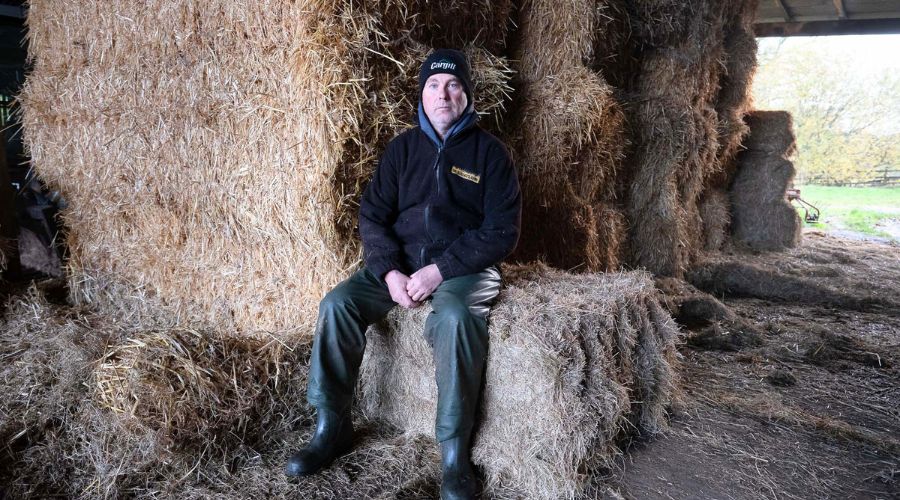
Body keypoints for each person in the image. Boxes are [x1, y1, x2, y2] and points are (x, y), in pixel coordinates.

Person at [286, 48, 521, 500]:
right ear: (422, 93)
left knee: (454, 319)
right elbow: (372, 217)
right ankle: (329, 427)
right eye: (434, 85)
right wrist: (390, 272)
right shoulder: (402, 150)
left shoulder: (491, 155)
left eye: (453, 85)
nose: (443, 94)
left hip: (463, 266)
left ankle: (453, 454)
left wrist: (439, 271)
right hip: (401, 263)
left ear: (468, 95)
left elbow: (501, 232)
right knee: (337, 305)